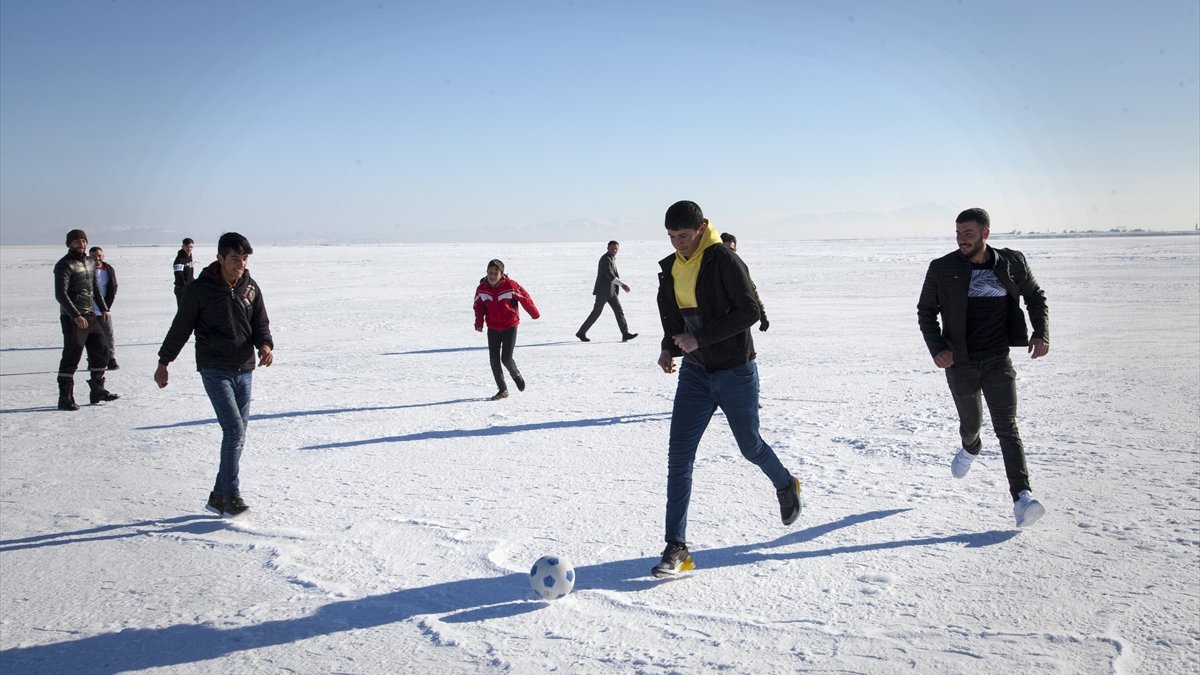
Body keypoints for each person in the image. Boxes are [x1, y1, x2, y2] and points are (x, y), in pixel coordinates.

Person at [651, 201, 801, 577]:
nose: (678, 244)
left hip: (735, 372)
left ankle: (785, 483)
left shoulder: (723, 260)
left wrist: (698, 338)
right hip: (696, 376)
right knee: (679, 457)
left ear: (702, 228)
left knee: (750, 446)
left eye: (683, 236)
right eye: (671, 237)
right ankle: (677, 547)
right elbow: (672, 315)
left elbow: (749, 310)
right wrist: (669, 348)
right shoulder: (670, 268)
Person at [917, 207, 1050, 528]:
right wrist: (938, 349)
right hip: (960, 362)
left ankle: (1022, 497)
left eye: (969, 233)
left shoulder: (1012, 262)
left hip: (997, 358)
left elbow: (1035, 297)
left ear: (985, 234)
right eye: (959, 233)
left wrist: (1041, 332)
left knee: (1007, 427)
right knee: (971, 424)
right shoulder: (942, 267)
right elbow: (926, 312)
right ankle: (971, 447)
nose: (962, 239)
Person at [155, 232, 274, 517]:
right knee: (233, 430)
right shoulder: (199, 290)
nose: (241, 264)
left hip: (244, 367)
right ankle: (230, 496)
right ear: (220, 258)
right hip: (214, 367)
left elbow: (260, 322)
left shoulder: (250, 286)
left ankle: (218, 496)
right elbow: (180, 327)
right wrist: (164, 361)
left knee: (239, 433)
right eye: (235, 259)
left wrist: (265, 345)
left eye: (245, 259)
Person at [54, 229, 119, 410]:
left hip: (91, 315)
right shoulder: (64, 265)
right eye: (76, 241)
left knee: (101, 352)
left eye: (83, 241)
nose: (81, 244)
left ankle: (97, 390)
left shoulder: (90, 262)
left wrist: (104, 308)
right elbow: (61, 294)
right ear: (69, 244)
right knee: (72, 356)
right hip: (73, 319)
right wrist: (76, 315)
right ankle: (65, 398)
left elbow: (94, 288)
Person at [473, 259, 540, 400]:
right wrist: (479, 323)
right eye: (490, 272)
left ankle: (516, 375)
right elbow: (478, 307)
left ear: (502, 273)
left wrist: (534, 313)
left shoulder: (510, 285)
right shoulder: (482, 288)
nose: (492, 276)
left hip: (510, 325)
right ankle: (503, 390)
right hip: (493, 327)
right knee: (494, 359)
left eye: (495, 273)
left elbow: (525, 298)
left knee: (506, 358)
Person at [576, 240, 637, 342]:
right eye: (612, 248)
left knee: (619, 312)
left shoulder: (612, 258)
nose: (614, 250)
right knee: (596, 313)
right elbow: (610, 275)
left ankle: (625, 333)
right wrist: (622, 285)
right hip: (603, 292)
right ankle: (581, 332)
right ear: (607, 248)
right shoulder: (605, 259)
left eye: (616, 248)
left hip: (611, 292)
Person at [720, 233, 769, 332]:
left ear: (735, 250)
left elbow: (751, 290)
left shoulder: (739, 268)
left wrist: (762, 315)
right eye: (724, 249)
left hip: (739, 320)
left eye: (731, 250)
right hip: (718, 322)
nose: (728, 254)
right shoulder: (711, 269)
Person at [89, 246, 119, 370]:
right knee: (91, 337)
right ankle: (92, 360)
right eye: (94, 256)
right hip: (89, 310)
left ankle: (111, 358)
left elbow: (113, 287)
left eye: (99, 255)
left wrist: (106, 306)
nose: (97, 258)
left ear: (103, 256)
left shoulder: (108, 269)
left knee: (108, 334)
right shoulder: (85, 269)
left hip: (104, 309)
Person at [173, 237, 195, 308]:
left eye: (191, 247)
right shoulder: (180, 259)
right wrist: (186, 287)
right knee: (183, 312)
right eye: (187, 247)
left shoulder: (189, 256)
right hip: (182, 289)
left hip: (190, 288)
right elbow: (178, 275)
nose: (189, 249)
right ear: (183, 246)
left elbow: (189, 274)